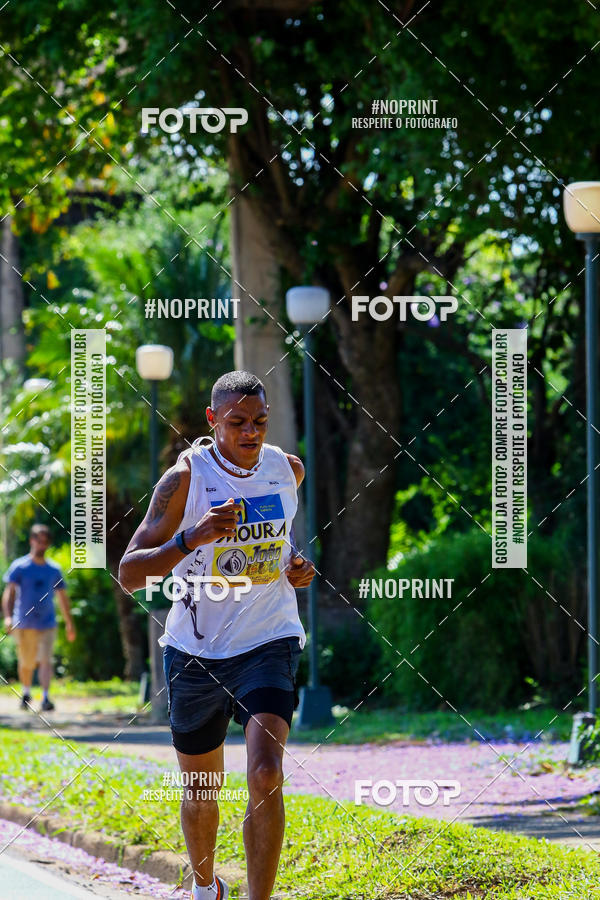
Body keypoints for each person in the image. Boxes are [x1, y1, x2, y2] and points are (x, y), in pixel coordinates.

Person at [118, 370, 315, 900]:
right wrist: (193, 535)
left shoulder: (286, 470)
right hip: (195, 650)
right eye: (237, 422)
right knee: (202, 788)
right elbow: (131, 572)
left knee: (266, 772)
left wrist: (297, 566)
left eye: (259, 421)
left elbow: (277, 546)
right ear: (213, 421)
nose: (250, 432)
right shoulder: (184, 479)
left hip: (267, 640)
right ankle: (206, 887)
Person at [2, 523, 76, 711]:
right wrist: (8, 617)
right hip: (24, 623)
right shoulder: (19, 566)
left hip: (47, 623)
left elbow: (62, 598)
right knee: (26, 663)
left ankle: (45, 697)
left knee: (45, 661)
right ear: (31, 541)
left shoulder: (54, 570)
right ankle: (26, 692)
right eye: (38, 541)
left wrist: (69, 623)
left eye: (45, 542)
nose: (42, 545)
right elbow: (9, 593)